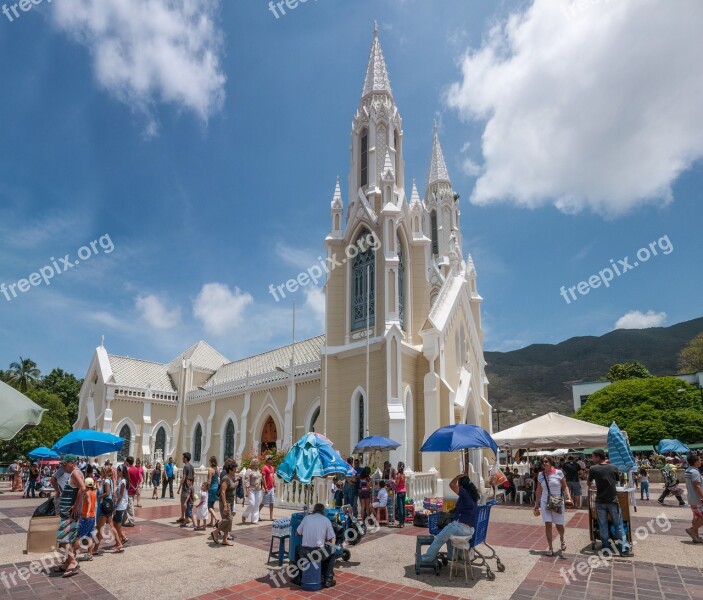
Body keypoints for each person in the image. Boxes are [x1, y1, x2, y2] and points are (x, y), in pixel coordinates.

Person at [421, 474, 478, 563]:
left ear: (461, 486)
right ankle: (452, 556)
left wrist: (457, 476)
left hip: (460, 527)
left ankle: (425, 559)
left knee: (439, 539)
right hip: (469, 529)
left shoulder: (464, 493)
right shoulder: (472, 496)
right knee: (447, 536)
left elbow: (451, 485)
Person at [588, 449, 630, 555]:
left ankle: (606, 547)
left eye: (593, 457)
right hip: (613, 500)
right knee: (618, 525)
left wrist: (595, 485)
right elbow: (617, 481)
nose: (592, 459)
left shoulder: (593, 469)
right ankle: (623, 549)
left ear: (598, 457)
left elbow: (589, 483)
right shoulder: (613, 467)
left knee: (603, 525)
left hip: (600, 501)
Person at [534, 455, 573, 557]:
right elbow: (538, 490)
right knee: (548, 524)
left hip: (557, 501)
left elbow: (565, 487)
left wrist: (568, 497)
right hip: (544, 501)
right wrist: (536, 504)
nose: (544, 463)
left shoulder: (558, 473)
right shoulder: (540, 475)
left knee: (559, 525)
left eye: (546, 461)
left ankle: (562, 538)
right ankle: (550, 547)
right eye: (542, 462)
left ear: (551, 462)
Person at [292, 503, 336, 588]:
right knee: (332, 552)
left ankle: (297, 578)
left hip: (304, 553)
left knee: (297, 547)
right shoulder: (326, 520)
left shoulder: (306, 518)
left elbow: (297, 533)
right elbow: (332, 538)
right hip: (318, 554)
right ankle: (328, 580)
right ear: (323, 511)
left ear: (314, 510)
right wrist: (330, 547)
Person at [55, 454, 85, 577]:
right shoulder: (75, 474)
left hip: (68, 513)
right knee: (70, 539)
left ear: (72, 463)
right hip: (70, 513)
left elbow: (82, 488)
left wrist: (76, 506)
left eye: (64, 463)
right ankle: (67, 563)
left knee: (62, 539)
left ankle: (72, 561)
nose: (63, 466)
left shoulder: (75, 473)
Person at [95, 465, 122, 555]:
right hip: (109, 504)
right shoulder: (109, 480)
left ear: (105, 472)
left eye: (102, 471)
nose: (100, 473)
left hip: (105, 504)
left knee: (100, 527)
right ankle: (119, 543)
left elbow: (107, 493)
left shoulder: (106, 481)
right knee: (110, 525)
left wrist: (100, 496)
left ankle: (95, 549)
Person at [212, 460, 237, 546]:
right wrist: (225, 506)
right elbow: (223, 492)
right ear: (230, 470)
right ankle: (216, 531)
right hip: (225, 503)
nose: (235, 471)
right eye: (234, 470)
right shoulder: (225, 478)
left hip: (231, 502)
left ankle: (224, 540)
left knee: (229, 521)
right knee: (228, 519)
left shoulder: (231, 478)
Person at [76, 477, 97, 561]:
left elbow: (88, 503)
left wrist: (87, 512)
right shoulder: (93, 493)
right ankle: (89, 554)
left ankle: (73, 555)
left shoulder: (87, 493)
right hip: (92, 517)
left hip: (86, 517)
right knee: (90, 536)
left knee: (78, 537)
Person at [684, 454, 703, 543]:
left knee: (696, 517)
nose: (701, 461)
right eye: (700, 460)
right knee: (700, 517)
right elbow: (697, 486)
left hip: (691, 498)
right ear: (696, 462)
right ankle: (692, 530)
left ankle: (696, 537)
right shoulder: (695, 472)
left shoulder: (688, 471)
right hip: (697, 499)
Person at [242, 459, 263, 524]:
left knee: (257, 505)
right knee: (252, 503)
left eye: (257, 463)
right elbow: (247, 480)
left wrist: (263, 487)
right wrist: (247, 489)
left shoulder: (258, 470)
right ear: (253, 464)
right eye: (256, 463)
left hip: (258, 489)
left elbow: (261, 479)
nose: (257, 464)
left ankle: (254, 520)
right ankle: (244, 515)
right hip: (251, 489)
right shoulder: (249, 471)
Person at [113, 465, 129, 548]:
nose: (117, 472)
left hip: (120, 505)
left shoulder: (123, 481)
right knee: (115, 523)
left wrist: (115, 506)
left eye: (118, 470)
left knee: (117, 525)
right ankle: (121, 538)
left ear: (121, 471)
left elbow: (121, 495)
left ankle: (120, 540)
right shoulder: (121, 480)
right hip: (120, 504)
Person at [177, 452, 194, 523]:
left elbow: (183, 478)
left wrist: (179, 487)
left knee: (183, 502)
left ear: (185, 459)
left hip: (185, 487)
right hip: (190, 486)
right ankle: (185, 516)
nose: (182, 459)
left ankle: (184, 517)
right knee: (188, 502)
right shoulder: (192, 466)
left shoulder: (185, 467)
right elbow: (193, 477)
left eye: (183, 458)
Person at [261, 455, 276, 521]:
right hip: (267, 488)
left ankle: (271, 516)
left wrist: (274, 484)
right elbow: (263, 478)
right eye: (270, 459)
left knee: (272, 502)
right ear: (267, 460)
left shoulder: (272, 468)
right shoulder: (264, 467)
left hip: (271, 487)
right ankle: (257, 514)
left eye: (272, 459)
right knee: (263, 502)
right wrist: (265, 487)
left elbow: (272, 477)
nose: (272, 460)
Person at [206, 456, 220, 527]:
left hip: (212, 488)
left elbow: (209, 481)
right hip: (217, 488)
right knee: (212, 505)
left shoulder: (210, 469)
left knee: (209, 506)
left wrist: (207, 488)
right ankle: (211, 522)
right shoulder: (217, 468)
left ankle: (216, 519)